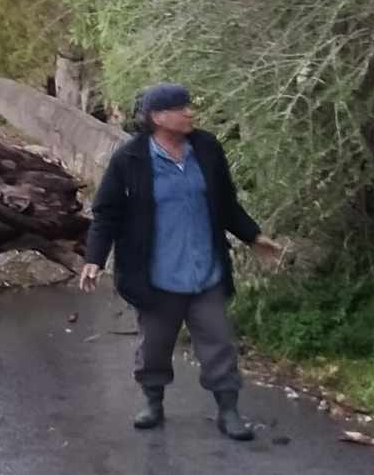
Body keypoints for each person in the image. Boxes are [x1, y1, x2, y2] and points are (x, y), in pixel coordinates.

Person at [77, 83, 282, 441]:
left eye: (189, 106)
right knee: (154, 347)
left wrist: (252, 236)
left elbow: (225, 203)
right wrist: (94, 259)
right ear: (158, 117)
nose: (190, 112)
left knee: (219, 342)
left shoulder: (206, 148)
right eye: (181, 108)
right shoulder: (130, 159)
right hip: (157, 276)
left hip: (206, 272)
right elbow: (106, 213)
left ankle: (228, 410)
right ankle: (153, 402)